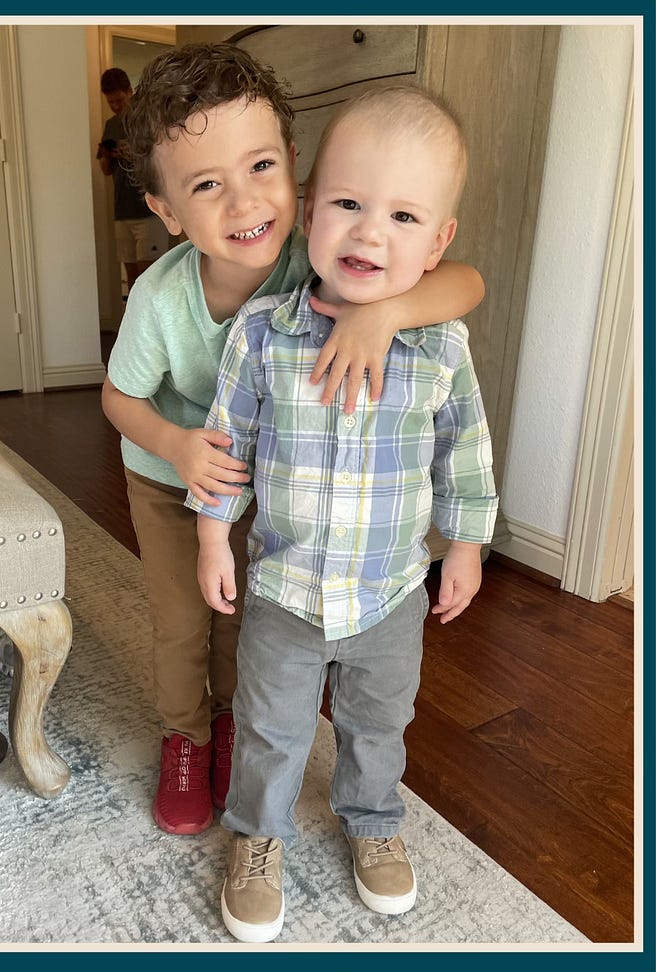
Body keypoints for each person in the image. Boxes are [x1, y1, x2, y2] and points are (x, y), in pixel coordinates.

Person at [100, 44, 486, 840]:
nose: (245, 204)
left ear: (299, 178)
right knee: (183, 619)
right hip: (171, 476)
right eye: (206, 185)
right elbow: (117, 397)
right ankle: (188, 734)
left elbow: (465, 284)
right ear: (168, 210)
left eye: (261, 166)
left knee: (256, 617)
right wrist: (176, 446)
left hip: (279, 479)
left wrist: (385, 314)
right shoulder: (160, 298)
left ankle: (244, 719)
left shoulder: (318, 257)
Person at [191, 84, 497, 942]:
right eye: (350, 205)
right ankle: (258, 835)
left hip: (392, 592)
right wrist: (213, 532)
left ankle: (373, 819)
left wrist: (467, 544)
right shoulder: (263, 334)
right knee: (271, 726)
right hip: (285, 588)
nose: (369, 233)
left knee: (377, 722)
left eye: (404, 217)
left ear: (438, 242)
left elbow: (463, 449)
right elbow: (229, 442)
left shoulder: (439, 346)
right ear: (311, 209)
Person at [97, 67, 170, 296]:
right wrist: (108, 154)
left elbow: (166, 159)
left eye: (119, 100)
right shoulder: (111, 125)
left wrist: (135, 152)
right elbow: (106, 170)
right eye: (111, 103)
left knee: (149, 276)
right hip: (122, 211)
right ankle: (130, 328)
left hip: (148, 209)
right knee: (131, 276)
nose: (116, 107)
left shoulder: (149, 120)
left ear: (130, 91)